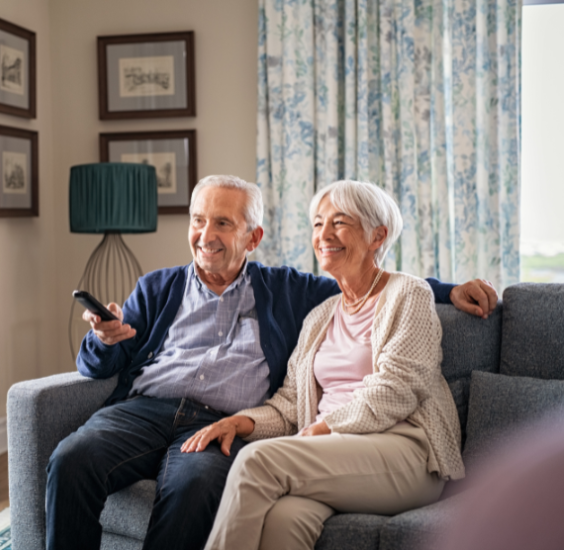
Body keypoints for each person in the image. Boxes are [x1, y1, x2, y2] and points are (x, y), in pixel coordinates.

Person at [45, 175, 496, 550]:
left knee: (200, 485)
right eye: (199, 220)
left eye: (222, 222)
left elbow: (385, 287)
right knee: (72, 458)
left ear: (253, 237)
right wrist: (103, 339)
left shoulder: (293, 291)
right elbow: (99, 364)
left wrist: (451, 291)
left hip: (239, 423)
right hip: (146, 411)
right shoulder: (159, 288)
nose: (206, 235)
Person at [183, 180, 465, 550]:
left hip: (404, 453)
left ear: (377, 236)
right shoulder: (320, 316)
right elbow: (289, 404)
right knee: (283, 520)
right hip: (333, 454)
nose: (324, 234)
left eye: (340, 222)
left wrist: (323, 428)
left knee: (256, 463)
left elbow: (398, 389)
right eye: (318, 224)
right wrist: (240, 422)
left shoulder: (408, 294)